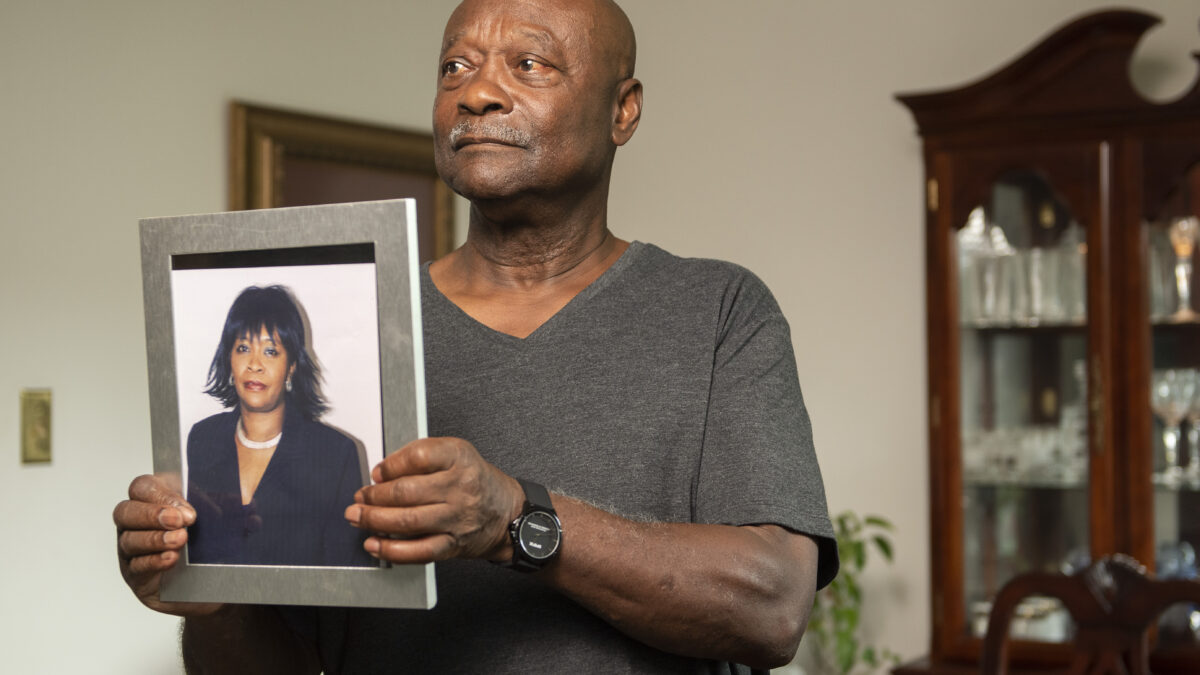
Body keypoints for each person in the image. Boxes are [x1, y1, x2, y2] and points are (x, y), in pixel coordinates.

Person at [113, 0, 839, 672]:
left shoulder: (720, 310)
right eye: (454, 67)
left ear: (623, 109)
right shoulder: (357, 325)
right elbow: (293, 660)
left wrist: (514, 519)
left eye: (529, 64)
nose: (476, 94)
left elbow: (772, 608)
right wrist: (210, 605)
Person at [184, 284, 372, 567]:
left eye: (271, 351)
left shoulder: (336, 454)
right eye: (243, 348)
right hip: (214, 612)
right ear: (229, 358)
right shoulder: (203, 439)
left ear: (292, 366)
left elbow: (352, 578)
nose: (254, 364)